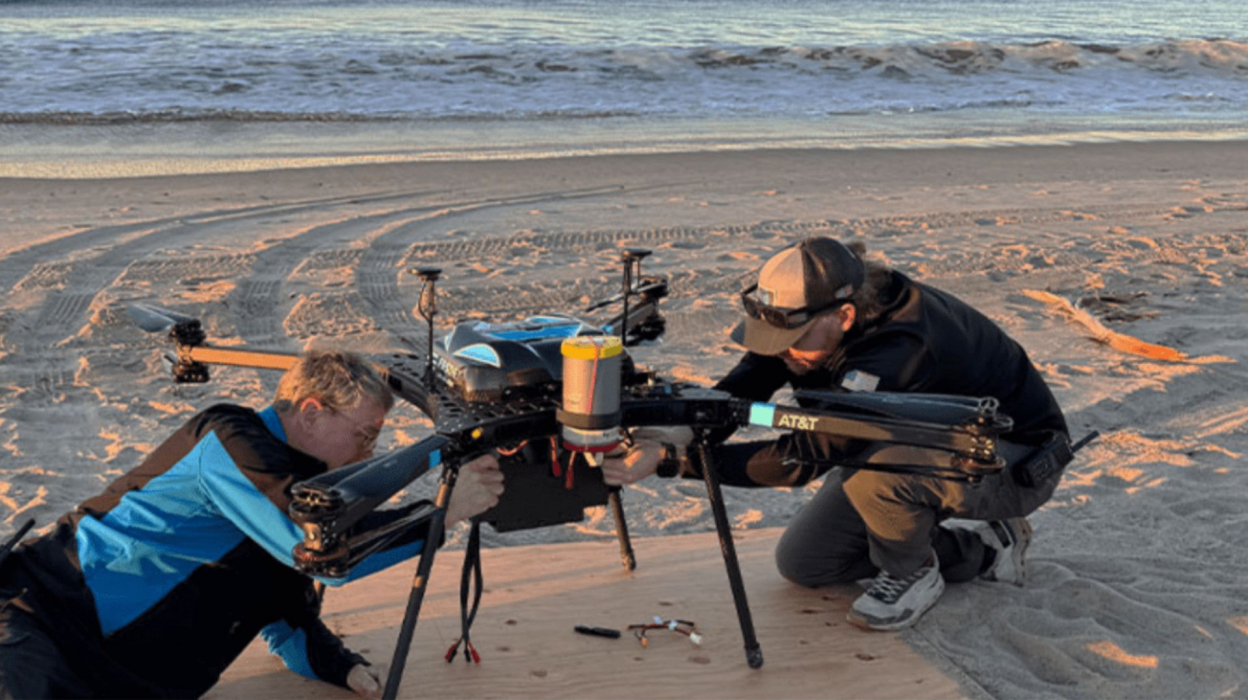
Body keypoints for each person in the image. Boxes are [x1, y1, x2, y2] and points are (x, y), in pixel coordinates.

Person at [603, 237, 1069, 632]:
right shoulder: (806, 321)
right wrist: (671, 431)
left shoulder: (897, 355)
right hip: (923, 441)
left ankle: (914, 570)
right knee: (807, 562)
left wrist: (671, 462)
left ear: (845, 316)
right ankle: (986, 550)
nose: (779, 351)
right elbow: (741, 391)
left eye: (790, 341)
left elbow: (802, 459)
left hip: (1013, 460)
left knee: (879, 477)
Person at [0, 350, 505, 698]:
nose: (368, 452)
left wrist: (342, 668)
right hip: (38, 619)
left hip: (106, 675)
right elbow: (325, 554)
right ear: (311, 413)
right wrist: (443, 510)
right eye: (365, 435)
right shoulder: (226, 440)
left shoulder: (292, 499)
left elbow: (288, 620)